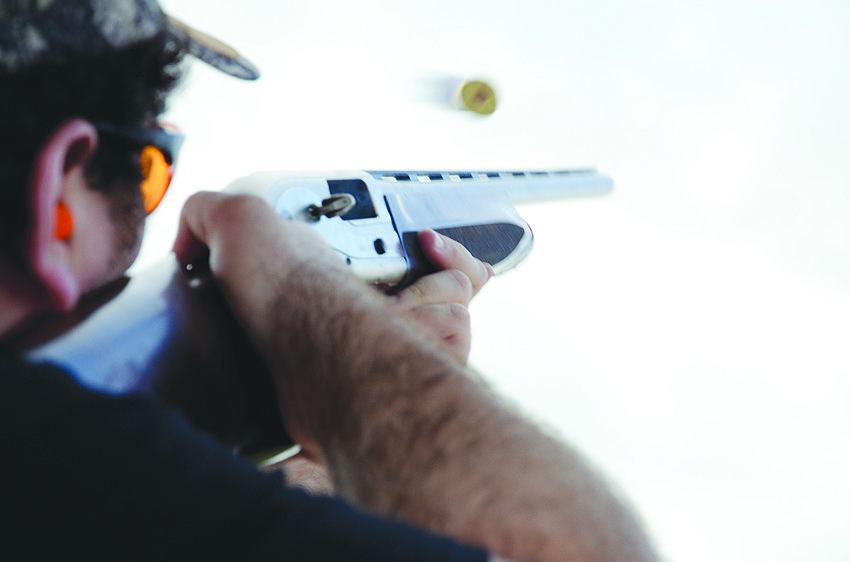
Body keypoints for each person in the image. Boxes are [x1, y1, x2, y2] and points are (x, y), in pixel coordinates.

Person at [0, 1, 657, 561]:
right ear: (58, 199)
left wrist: (330, 438)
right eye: (149, 169)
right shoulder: (48, 444)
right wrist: (313, 309)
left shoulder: (68, 492)